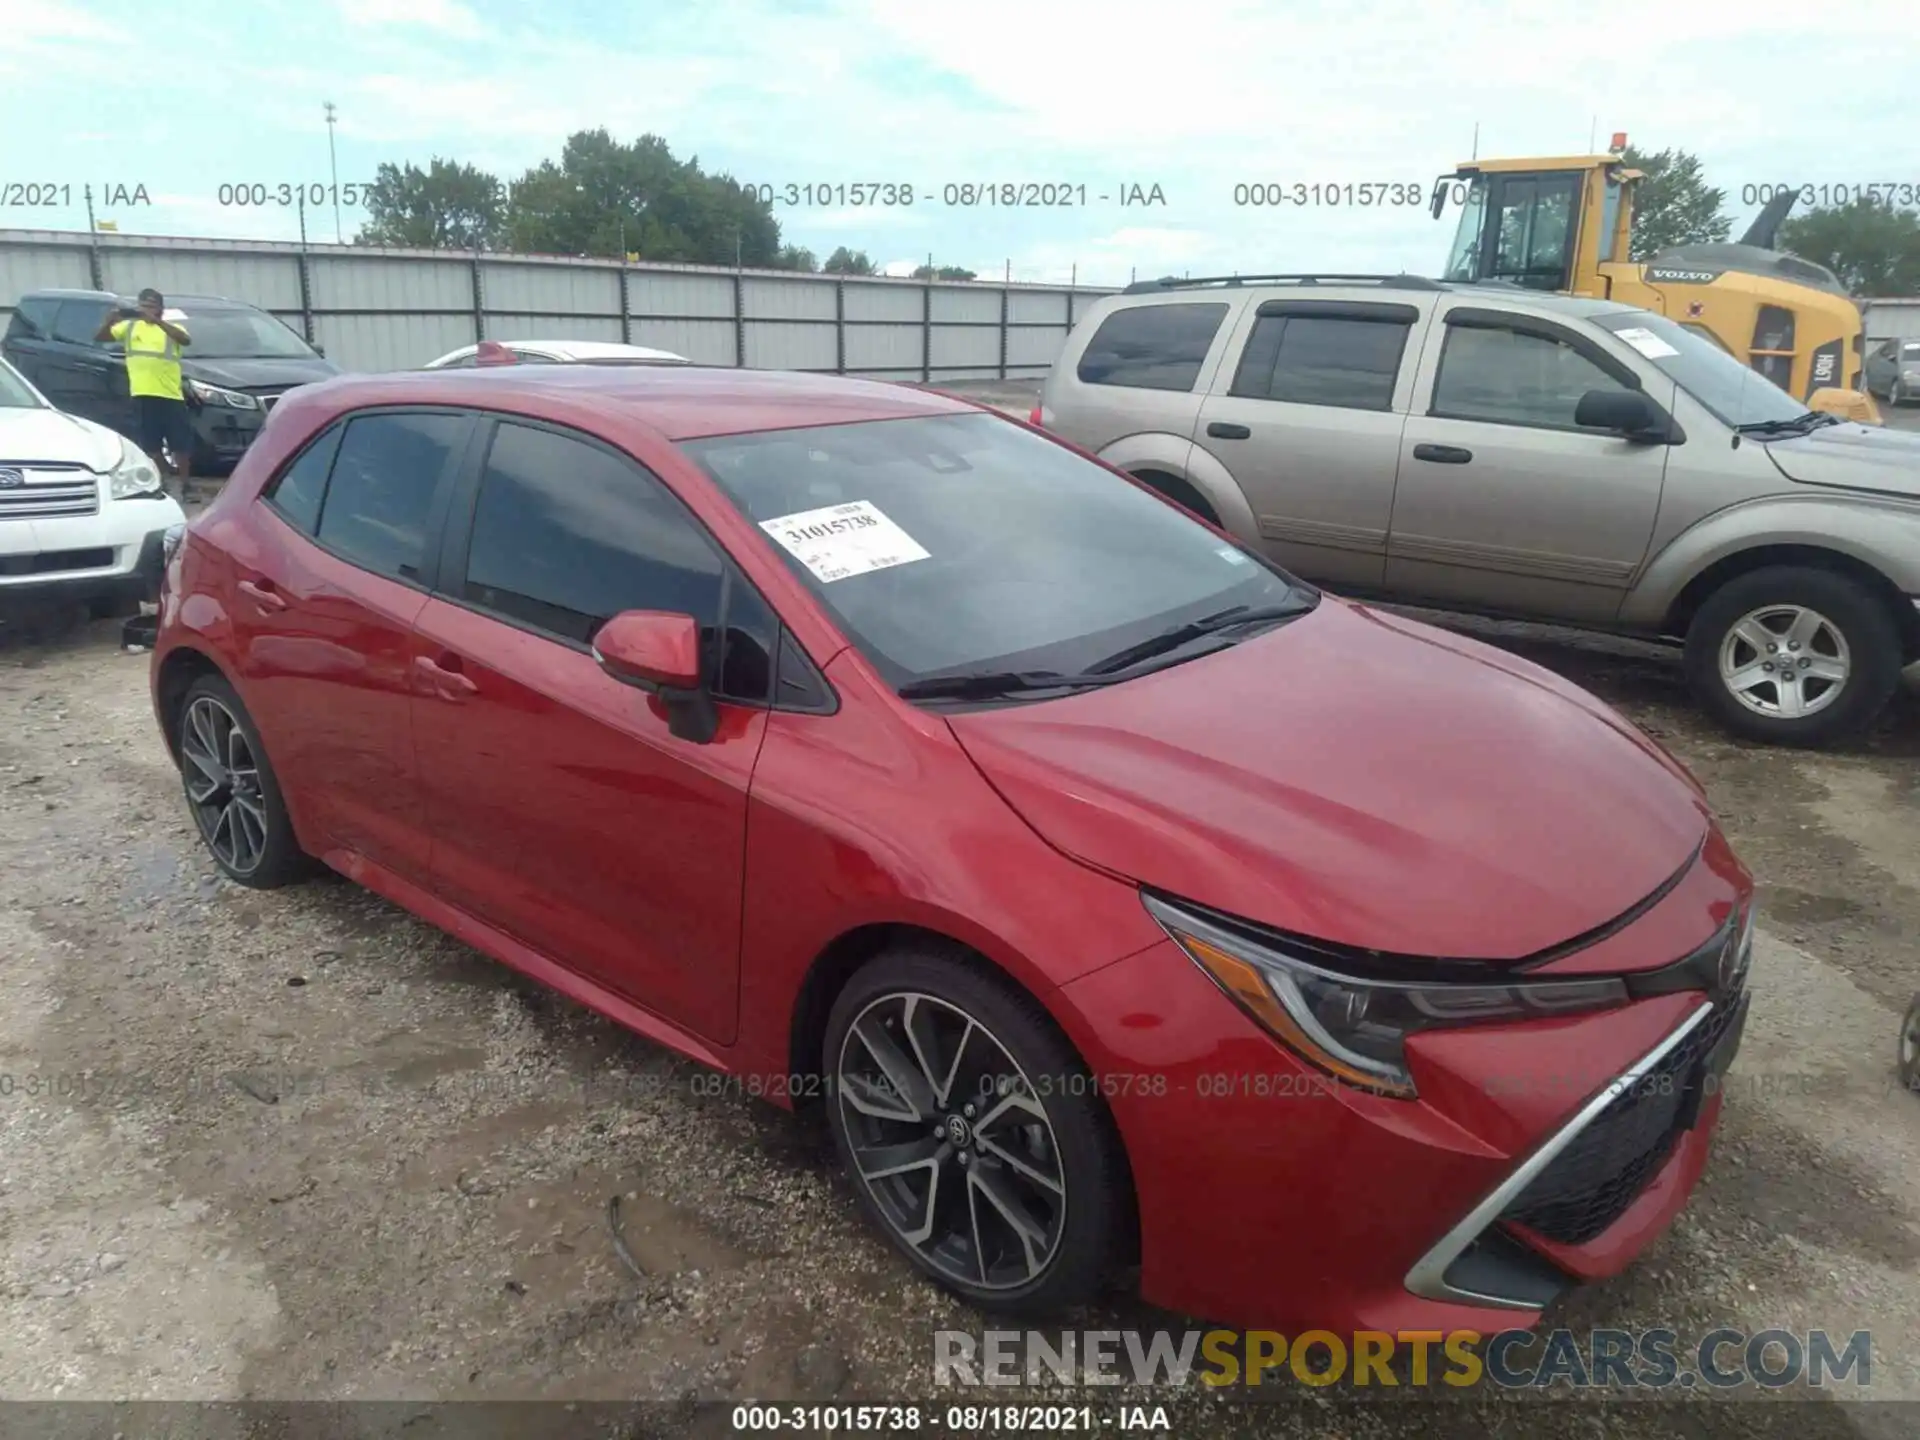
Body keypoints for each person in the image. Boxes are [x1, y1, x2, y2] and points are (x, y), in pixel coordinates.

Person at [95, 288, 193, 498]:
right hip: (142, 393)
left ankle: (186, 484)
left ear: (160, 308)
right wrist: (109, 321)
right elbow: (100, 337)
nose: (146, 310)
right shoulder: (129, 327)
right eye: (143, 305)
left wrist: (157, 322)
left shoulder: (171, 328)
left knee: (180, 443)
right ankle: (164, 478)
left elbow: (185, 340)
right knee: (151, 443)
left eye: (151, 306)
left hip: (170, 394)